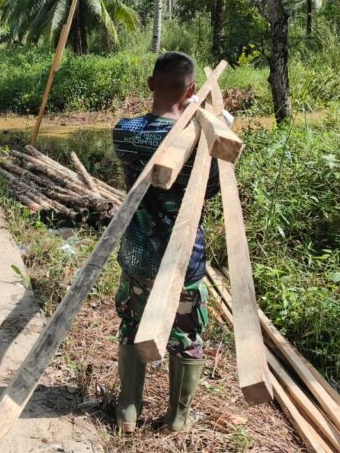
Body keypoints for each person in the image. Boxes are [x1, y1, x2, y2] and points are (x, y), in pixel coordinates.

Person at [111, 51, 219, 435]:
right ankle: (178, 418)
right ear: (191, 90)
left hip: (138, 254)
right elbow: (212, 192)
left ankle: (128, 411)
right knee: (187, 334)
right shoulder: (208, 141)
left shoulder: (125, 132)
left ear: (151, 84)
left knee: (131, 323)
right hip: (184, 258)